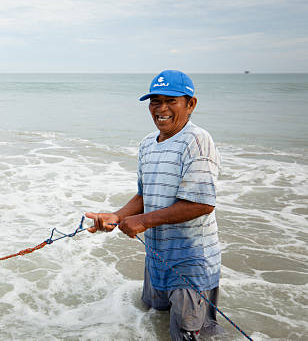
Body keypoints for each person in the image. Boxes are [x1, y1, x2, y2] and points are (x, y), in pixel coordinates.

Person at [86, 70, 223, 340]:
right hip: (157, 255)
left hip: (191, 262)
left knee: (188, 333)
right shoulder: (147, 143)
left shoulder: (197, 140)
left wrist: (143, 221)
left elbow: (201, 205)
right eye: (155, 101)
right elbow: (143, 195)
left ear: (190, 104)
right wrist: (115, 216)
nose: (161, 109)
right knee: (153, 319)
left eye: (171, 101)